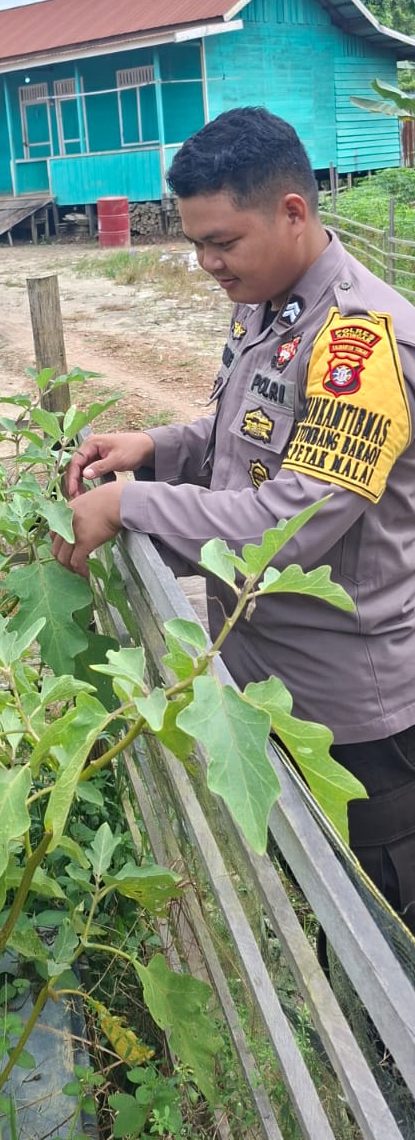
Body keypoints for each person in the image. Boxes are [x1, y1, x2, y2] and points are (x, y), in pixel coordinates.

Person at [53, 107, 415, 929]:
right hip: (269, 673)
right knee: (327, 900)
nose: (206, 265)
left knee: (385, 920)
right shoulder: (270, 301)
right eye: (194, 246)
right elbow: (238, 437)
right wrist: (152, 447)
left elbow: (288, 519)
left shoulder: (361, 342)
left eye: (221, 242)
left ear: (292, 212)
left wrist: (129, 502)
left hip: (351, 705)